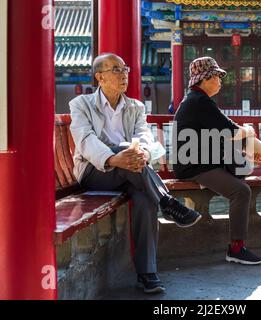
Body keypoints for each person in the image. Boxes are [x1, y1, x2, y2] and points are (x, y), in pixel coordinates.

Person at [69, 53, 201, 294]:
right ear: (100, 77)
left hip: (132, 171)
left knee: (144, 199)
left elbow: (144, 137)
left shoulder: (135, 107)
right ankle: (168, 201)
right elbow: (85, 139)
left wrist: (141, 153)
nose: (124, 74)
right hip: (95, 171)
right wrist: (113, 157)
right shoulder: (81, 104)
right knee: (125, 151)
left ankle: (147, 273)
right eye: (116, 70)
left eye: (125, 69)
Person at [173, 56, 261, 265]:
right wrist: (247, 131)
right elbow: (230, 130)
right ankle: (236, 248)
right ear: (205, 78)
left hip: (206, 158)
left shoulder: (198, 99)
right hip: (194, 165)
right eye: (217, 77)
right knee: (241, 190)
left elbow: (226, 129)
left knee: (246, 141)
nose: (220, 81)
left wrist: (245, 138)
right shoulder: (199, 101)